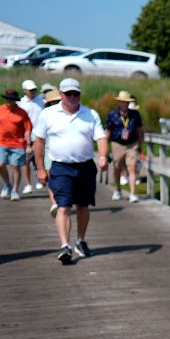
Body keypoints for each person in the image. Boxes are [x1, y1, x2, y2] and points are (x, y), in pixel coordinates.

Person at [32, 77, 109, 265]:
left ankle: (80, 241)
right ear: (61, 94)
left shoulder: (90, 114)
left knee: (83, 205)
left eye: (76, 93)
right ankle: (65, 245)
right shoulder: (49, 114)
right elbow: (39, 142)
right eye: (68, 94)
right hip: (61, 167)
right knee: (63, 206)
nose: (73, 97)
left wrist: (103, 156)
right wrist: (41, 168)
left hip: (85, 166)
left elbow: (101, 138)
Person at [0, 89, 33, 201]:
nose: (9, 101)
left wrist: (28, 144)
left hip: (18, 143)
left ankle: (14, 190)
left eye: (11, 99)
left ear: (15, 100)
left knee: (15, 166)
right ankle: (7, 184)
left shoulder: (22, 112)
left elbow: (27, 129)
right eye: (7, 99)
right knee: (0, 164)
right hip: (1, 142)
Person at [104, 90, 143, 203]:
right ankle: (117, 189)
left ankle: (132, 193)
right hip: (117, 144)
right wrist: (105, 149)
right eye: (122, 102)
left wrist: (140, 145)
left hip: (132, 144)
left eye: (126, 102)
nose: (124, 104)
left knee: (132, 167)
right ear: (119, 102)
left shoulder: (135, 114)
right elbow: (107, 132)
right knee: (117, 167)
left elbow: (140, 130)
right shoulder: (112, 115)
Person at [18, 80, 45, 194]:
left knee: (39, 159)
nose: (32, 92)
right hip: (25, 134)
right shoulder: (20, 103)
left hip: (40, 134)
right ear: (24, 90)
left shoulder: (41, 102)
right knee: (26, 160)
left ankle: (40, 179)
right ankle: (28, 184)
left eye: (34, 90)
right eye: (30, 90)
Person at [40, 89, 62, 217]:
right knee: (51, 176)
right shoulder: (45, 115)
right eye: (52, 102)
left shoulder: (68, 114)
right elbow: (38, 138)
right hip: (49, 150)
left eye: (58, 101)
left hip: (65, 152)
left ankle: (62, 200)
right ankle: (54, 203)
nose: (55, 104)